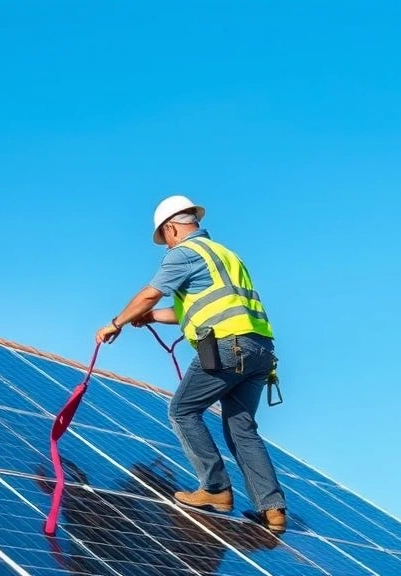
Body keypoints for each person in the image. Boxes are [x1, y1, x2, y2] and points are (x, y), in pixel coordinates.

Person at [94, 194, 288, 534]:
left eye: (163, 238)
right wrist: (150, 318)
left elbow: (150, 293)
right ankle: (273, 509)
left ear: (171, 228)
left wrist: (117, 322)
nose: (164, 246)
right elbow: (187, 311)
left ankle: (215, 490)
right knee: (242, 429)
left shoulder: (184, 253)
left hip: (229, 346)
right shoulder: (227, 255)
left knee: (182, 410)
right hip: (260, 350)